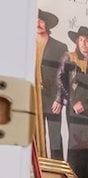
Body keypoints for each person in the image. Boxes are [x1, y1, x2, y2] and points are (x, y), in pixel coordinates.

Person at [56, 25, 88, 178]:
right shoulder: (69, 58)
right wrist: (72, 101)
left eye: (87, 40)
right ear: (76, 42)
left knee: (86, 150)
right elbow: (61, 80)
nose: (83, 43)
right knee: (75, 148)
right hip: (74, 110)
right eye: (81, 40)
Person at [35, 10, 67, 161]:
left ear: (47, 23)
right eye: (35, 20)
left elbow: (65, 74)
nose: (38, 23)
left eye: (41, 20)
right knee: (34, 137)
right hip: (33, 97)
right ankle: (37, 174)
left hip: (52, 98)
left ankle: (58, 174)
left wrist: (60, 98)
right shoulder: (27, 44)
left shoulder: (59, 46)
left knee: (55, 137)